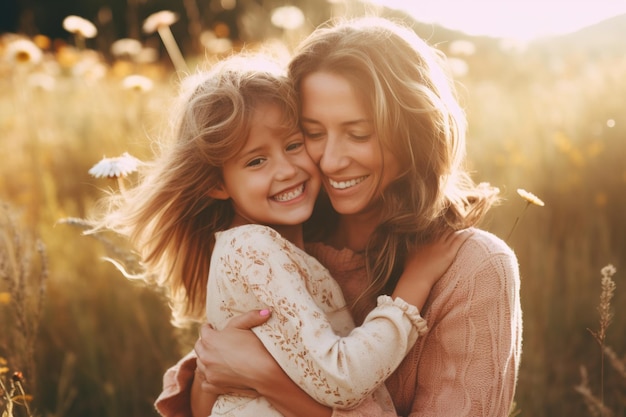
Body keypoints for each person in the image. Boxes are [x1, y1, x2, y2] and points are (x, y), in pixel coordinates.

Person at [156, 16, 522, 417]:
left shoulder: (472, 269)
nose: (330, 161)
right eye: (313, 133)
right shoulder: (285, 237)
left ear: (414, 131)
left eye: (358, 134)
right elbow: (210, 395)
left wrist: (270, 380)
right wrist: (214, 376)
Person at [91, 52, 470, 417]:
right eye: (257, 161)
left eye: (294, 144)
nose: (287, 170)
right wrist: (415, 283)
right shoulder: (252, 250)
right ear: (215, 183)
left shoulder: (272, 246)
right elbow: (341, 379)